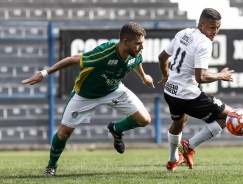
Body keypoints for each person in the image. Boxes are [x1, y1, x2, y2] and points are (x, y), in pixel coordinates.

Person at [21, 22, 155, 177]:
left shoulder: (135, 53)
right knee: (64, 133)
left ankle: (116, 129)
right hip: (86, 94)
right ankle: (51, 166)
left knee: (144, 119)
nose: (142, 47)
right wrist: (44, 73)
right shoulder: (105, 53)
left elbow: (135, 61)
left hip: (114, 90)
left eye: (142, 43)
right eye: (138, 44)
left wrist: (144, 77)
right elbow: (73, 59)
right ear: (125, 42)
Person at [158, 8, 234, 171]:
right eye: (212, 27)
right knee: (230, 116)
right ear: (201, 25)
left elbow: (162, 57)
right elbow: (201, 77)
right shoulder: (204, 43)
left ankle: (172, 160)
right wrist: (220, 75)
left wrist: (165, 76)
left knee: (178, 123)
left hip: (170, 92)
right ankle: (189, 146)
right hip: (187, 95)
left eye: (218, 28)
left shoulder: (184, 33)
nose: (215, 32)